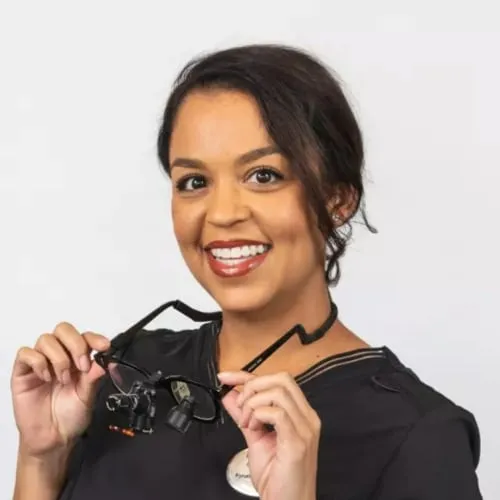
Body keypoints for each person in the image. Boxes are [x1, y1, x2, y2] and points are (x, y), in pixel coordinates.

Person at [11, 44, 482, 500]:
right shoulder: (127, 373)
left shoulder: (418, 435)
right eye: (194, 181)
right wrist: (41, 456)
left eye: (263, 175)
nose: (222, 214)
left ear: (337, 200)